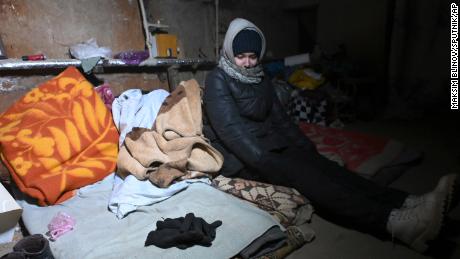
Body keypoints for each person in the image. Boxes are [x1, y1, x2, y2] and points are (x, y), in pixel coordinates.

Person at [202, 17, 457, 253]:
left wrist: (309, 150)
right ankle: (395, 223)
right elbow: (232, 132)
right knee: (312, 179)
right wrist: (271, 163)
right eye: (241, 57)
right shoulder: (217, 80)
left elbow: (281, 120)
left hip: (271, 145)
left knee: (329, 169)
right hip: (245, 158)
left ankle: (409, 202)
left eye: (252, 57)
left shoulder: (261, 78)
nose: (247, 62)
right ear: (228, 53)